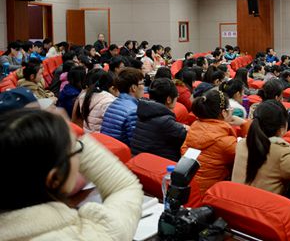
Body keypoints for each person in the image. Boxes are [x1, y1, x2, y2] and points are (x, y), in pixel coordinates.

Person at [0, 109, 143, 240]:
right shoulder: (90, 235)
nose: (79, 154)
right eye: (75, 148)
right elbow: (124, 187)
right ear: (55, 178)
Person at [232, 100, 290, 195]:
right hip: (261, 204)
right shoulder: (281, 152)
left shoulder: (242, 143)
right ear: (282, 129)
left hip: (234, 200)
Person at [181, 89, 243, 194]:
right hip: (210, 193)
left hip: (188, 187)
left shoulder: (193, 129)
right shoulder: (225, 142)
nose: (231, 111)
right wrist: (245, 124)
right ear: (224, 113)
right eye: (229, 108)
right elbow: (246, 156)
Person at [131, 78, 187, 161]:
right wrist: (185, 127)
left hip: (138, 159)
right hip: (157, 163)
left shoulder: (143, 111)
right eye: (177, 96)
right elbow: (186, 136)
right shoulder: (165, 121)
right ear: (169, 99)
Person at [101, 68, 144, 145]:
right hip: (122, 151)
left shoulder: (113, 103)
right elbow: (136, 143)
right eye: (142, 83)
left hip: (108, 148)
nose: (144, 87)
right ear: (133, 88)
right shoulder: (133, 111)